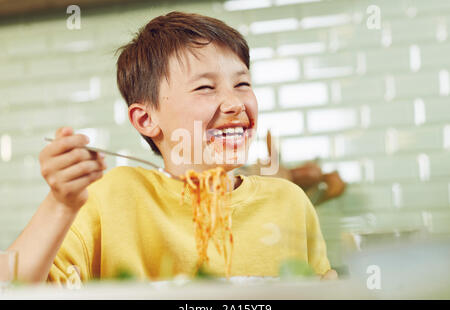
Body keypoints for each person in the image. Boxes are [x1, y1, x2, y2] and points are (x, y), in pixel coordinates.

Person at [6, 11, 337, 284]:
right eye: (206, 87)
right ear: (146, 119)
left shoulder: (289, 201)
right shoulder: (112, 198)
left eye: (242, 83)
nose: (235, 102)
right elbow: (11, 286)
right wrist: (61, 204)